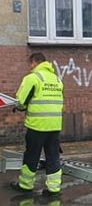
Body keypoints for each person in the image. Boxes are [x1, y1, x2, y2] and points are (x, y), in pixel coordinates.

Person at [10, 52, 64, 196]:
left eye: (30, 64)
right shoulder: (57, 80)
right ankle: (54, 189)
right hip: (55, 126)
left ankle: (25, 185)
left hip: (37, 125)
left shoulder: (32, 78)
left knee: (31, 156)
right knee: (53, 156)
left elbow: (21, 102)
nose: (30, 67)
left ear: (34, 62)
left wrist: (20, 108)